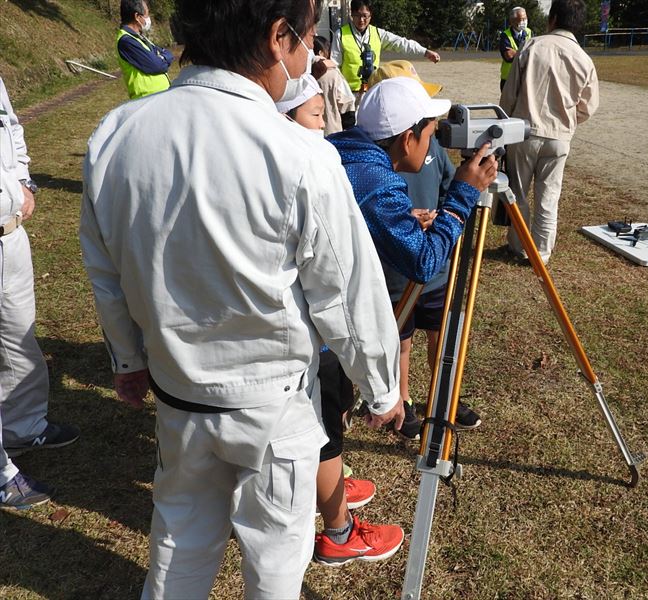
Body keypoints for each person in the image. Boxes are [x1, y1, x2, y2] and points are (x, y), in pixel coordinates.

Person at [80, 1, 405, 597]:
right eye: (306, 39)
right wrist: (383, 387)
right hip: (273, 409)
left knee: (179, 541)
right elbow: (348, 292)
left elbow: (106, 273)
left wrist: (127, 359)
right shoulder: (299, 153)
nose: (309, 55)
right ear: (277, 38)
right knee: (276, 562)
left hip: (180, 396)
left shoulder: (117, 134)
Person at [275, 75, 405, 568]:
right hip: (302, 354)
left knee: (326, 424)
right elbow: (344, 291)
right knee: (323, 423)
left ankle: (327, 484)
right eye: (315, 116)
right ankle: (338, 527)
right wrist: (384, 390)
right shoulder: (308, 162)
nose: (326, 125)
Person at [328, 77, 497, 441]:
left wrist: (401, 222)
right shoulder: (377, 181)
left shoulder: (343, 151)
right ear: (407, 139)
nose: (434, 141)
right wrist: (463, 195)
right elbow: (424, 262)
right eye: (430, 133)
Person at [367, 61, 482, 432]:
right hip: (397, 274)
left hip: (436, 265)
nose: (435, 130)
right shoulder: (379, 162)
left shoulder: (429, 147)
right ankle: (403, 401)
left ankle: (445, 394)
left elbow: (451, 185)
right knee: (401, 340)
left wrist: (448, 209)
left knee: (441, 333)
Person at [0, 76, 80, 509]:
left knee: (18, 333)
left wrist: (24, 181)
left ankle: (23, 424)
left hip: (10, 232)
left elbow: (10, 127)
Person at [499, 0, 599, 265]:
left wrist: (505, 122)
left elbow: (509, 96)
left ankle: (517, 245)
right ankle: (541, 254)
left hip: (524, 132)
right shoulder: (584, 59)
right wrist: (568, 122)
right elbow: (588, 106)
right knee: (549, 197)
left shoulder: (532, 46)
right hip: (559, 137)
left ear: (552, 18)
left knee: (517, 194)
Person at [331, 0, 441, 93]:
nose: (361, 20)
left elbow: (401, 43)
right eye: (357, 15)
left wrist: (425, 52)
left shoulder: (378, 34)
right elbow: (335, 65)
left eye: (365, 16)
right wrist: (341, 92)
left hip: (372, 93)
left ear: (371, 15)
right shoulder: (340, 35)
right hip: (349, 94)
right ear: (351, 14)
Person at [116, 0, 174, 99]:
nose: (148, 18)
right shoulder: (126, 41)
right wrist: (163, 58)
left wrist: (162, 57)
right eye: (147, 14)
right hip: (147, 100)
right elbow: (157, 66)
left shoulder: (138, 38)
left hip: (157, 97)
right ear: (137, 17)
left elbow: (167, 54)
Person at [313, 36, 356, 136]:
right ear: (320, 53)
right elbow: (347, 103)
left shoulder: (303, 72)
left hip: (309, 133)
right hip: (332, 131)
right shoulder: (333, 73)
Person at [499, 6, 532, 92]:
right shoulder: (505, 35)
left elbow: (534, 52)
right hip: (508, 78)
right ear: (512, 21)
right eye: (521, 19)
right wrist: (526, 52)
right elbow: (508, 56)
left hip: (525, 77)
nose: (524, 22)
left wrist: (516, 52)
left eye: (525, 18)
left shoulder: (529, 32)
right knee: (508, 105)